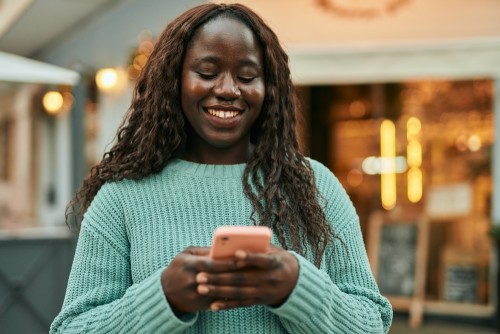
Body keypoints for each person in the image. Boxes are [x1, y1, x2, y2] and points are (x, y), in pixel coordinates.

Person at [50, 3, 393, 333]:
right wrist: (163, 298)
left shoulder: (315, 184)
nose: (228, 90)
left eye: (247, 76)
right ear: (174, 80)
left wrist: (296, 287)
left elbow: (371, 325)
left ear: (268, 88)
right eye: (207, 73)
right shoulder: (121, 199)